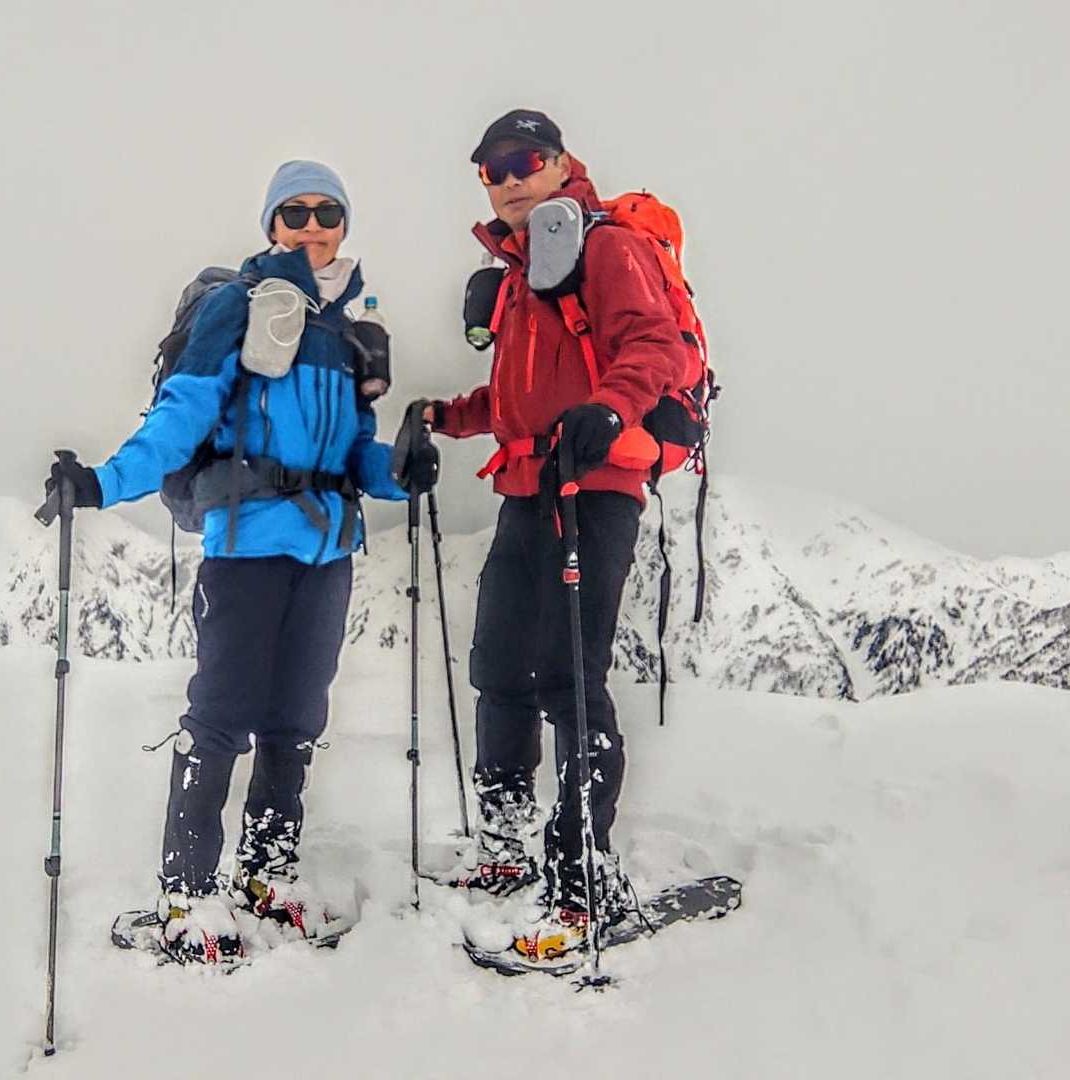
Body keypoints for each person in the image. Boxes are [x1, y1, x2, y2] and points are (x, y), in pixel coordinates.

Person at [46, 160, 416, 964]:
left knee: (296, 717)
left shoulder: (347, 332)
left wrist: (398, 470)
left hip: (327, 553)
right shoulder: (236, 307)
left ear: (344, 226)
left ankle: (266, 875)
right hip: (246, 545)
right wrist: (103, 482)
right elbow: (179, 417)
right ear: (271, 224)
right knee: (221, 713)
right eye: (295, 212)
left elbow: (352, 450)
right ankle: (186, 892)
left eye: (327, 213)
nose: (312, 226)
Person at [422, 110, 691, 962]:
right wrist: (443, 417)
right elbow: (516, 398)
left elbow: (651, 345)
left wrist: (610, 409)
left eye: (524, 161)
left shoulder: (606, 246)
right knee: (501, 666)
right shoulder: (519, 272)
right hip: (528, 485)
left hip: (596, 482)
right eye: (492, 170)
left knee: (570, 677)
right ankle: (505, 846)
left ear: (560, 162)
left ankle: (582, 882)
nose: (509, 179)